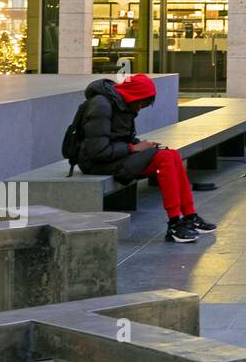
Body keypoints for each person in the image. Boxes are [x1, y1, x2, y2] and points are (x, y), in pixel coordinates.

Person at [76, 74, 217, 243]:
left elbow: (120, 137)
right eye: (142, 103)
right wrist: (133, 148)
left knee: (172, 154)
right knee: (164, 158)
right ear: (134, 96)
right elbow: (97, 151)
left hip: (113, 157)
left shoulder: (121, 103)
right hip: (95, 164)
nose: (141, 108)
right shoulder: (101, 106)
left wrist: (140, 144)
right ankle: (174, 223)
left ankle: (189, 215)